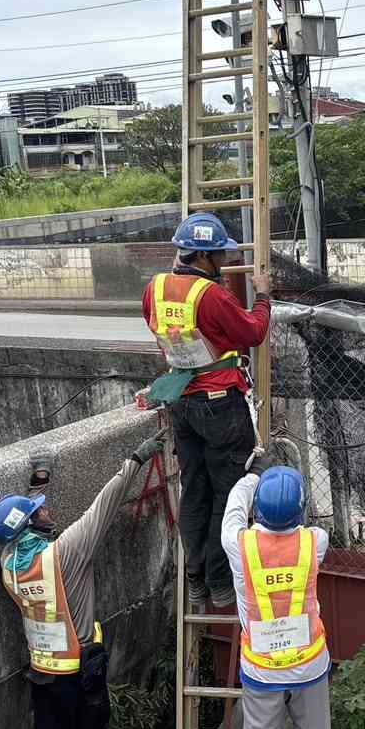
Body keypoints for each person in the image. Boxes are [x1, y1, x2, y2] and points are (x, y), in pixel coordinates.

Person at [0, 437, 164, 729]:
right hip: (81, 669)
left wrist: (38, 483)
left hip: (43, 671)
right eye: (41, 511)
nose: (47, 512)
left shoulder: (9, 563)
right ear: (30, 525)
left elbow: (26, 529)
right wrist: (135, 460)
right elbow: (103, 506)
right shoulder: (66, 554)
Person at [142, 212, 271, 608]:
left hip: (182, 402)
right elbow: (253, 332)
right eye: (220, 255)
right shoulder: (212, 295)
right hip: (219, 405)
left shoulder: (156, 288)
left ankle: (195, 574)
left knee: (194, 489)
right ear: (203, 257)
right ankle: (219, 581)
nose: (226, 262)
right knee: (227, 492)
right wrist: (263, 295)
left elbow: (156, 327)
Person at [220, 461, 334, 729]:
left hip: (262, 669)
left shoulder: (240, 545)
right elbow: (311, 524)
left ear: (259, 511)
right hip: (309, 663)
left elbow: (233, 509)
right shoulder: (314, 543)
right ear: (299, 511)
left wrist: (251, 477)